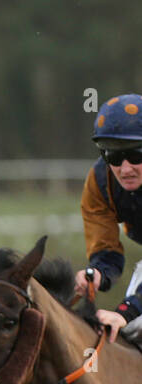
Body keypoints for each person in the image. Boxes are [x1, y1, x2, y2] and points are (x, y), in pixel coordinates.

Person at [75, 93, 142, 344]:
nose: (125, 169)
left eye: (136, 156)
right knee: (132, 330)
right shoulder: (99, 181)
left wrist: (127, 311)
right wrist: (98, 274)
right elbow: (106, 251)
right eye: (113, 156)